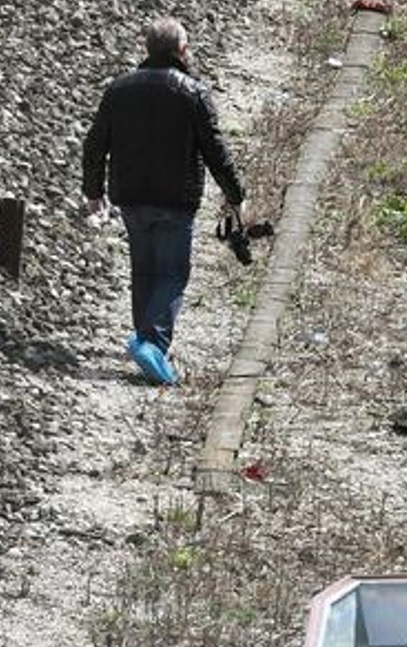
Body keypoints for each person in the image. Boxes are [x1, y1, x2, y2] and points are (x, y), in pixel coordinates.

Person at [83, 17, 245, 385]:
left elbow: (95, 145)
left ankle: (145, 340)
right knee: (173, 272)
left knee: (144, 268)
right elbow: (215, 150)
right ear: (181, 50)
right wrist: (236, 195)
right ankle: (153, 345)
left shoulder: (119, 89)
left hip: (132, 197)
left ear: (147, 48)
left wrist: (94, 191)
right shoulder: (193, 93)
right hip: (176, 199)